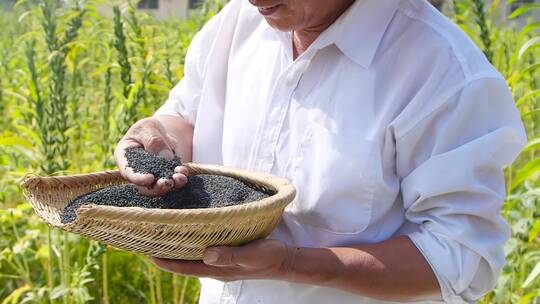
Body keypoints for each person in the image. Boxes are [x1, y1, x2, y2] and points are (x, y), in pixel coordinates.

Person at [114, 0, 527, 303]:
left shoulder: (442, 72)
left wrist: (290, 264)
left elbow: (458, 257)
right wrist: (157, 136)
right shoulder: (237, 22)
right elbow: (188, 116)